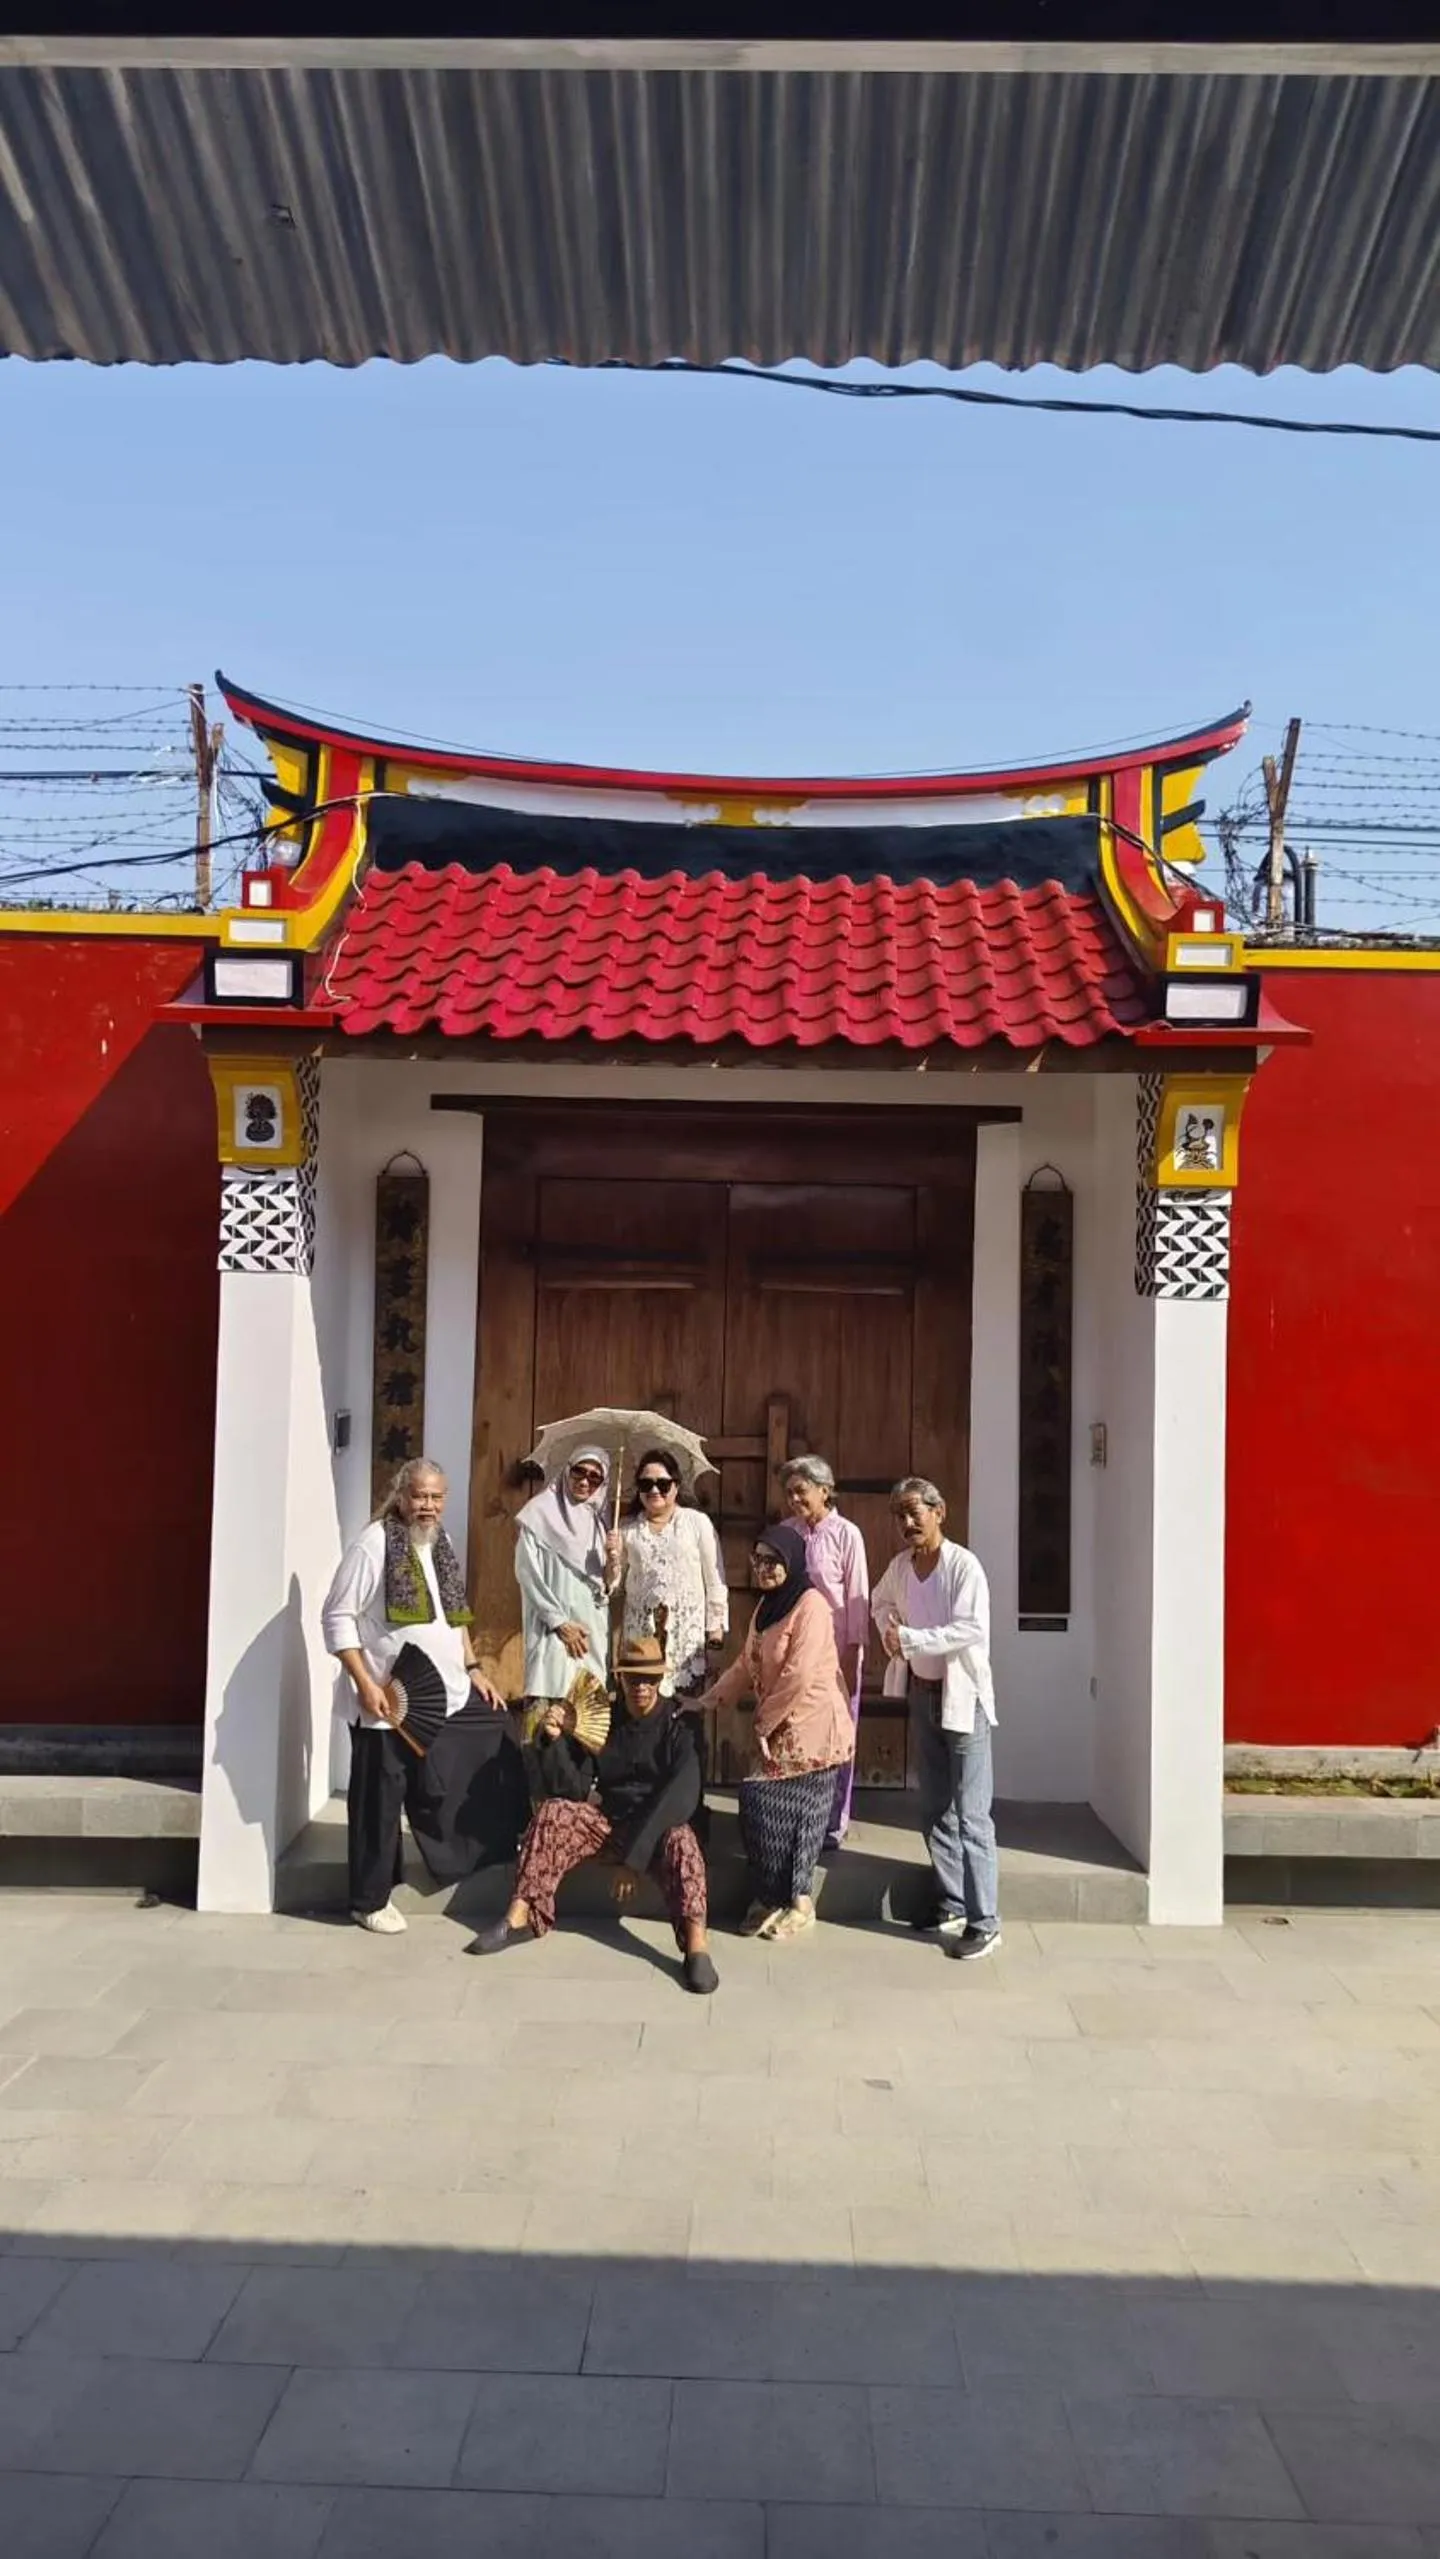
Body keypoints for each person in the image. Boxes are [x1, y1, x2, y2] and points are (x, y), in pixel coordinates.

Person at [322, 1458, 523, 1935]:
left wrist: (475, 1667)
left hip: (449, 1689)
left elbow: (455, 1615)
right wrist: (364, 1684)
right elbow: (337, 1616)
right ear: (401, 1496)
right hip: (389, 1698)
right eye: (419, 1496)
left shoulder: (442, 1544)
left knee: (498, 1732)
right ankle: (368, 1900)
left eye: (436, 1497)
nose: (428, 1506)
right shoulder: (373, 1545)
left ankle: (481, 1846)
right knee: (380, 1797)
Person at [472, 1629, 719, 1994]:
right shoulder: (605, 1719)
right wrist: (554, 1742)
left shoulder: (679, 1723)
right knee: (554, 1812)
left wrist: (633, 1861)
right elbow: (570, 1789)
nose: (641, 1687)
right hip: (611, 1823)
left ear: (660, 1679)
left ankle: (696, 1944)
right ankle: (520, 1914)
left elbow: (681, 1797)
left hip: (657, 1831)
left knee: (683, 1838)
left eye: (649, 1679)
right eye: (633, 1678)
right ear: (620, 1677)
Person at [694, 1519, 854, 1942]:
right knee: (763, 1810)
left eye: (773, 1560)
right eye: (758, 1559)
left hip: (814, 1727)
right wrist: (710, 1699)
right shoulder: (767, 1608)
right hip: (779, 1729)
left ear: (792, 1562)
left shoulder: (811, 1605)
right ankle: (770, 1896)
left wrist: (764, 1720)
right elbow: (746, 1663)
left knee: (803, 1821)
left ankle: (800, 1902)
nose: (764, 1568)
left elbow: (800, 1673)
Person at [872, 1475, 1000, 1959]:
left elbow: (969, 1629)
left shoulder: (964, 1566)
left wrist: (911, 1640)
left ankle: (986, 1920)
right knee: (933, 1809)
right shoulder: (901, 1566)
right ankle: (952, 1901)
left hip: (962, 1700)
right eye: (900, 1515)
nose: (907, 1523)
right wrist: (889, 1630)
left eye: (915, 1512)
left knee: (972, 1815)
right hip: (923, 1695)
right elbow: (881, 1602)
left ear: (939, 1511)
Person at [781, 1455, 870, 1848]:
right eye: (789, 1492)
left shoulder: (847, 1534)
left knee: (837, 1736)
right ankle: (799, 1816)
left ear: (824, 1490)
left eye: (801, 1491)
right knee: (797, 1731)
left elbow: (857, 1597)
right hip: (798, 1649)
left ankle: (834, 1822)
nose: (794, 1499)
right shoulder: (787, 1532)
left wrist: (852, 1651)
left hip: (837, 1649)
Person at [513, 1447, 622, 1708]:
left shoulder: (599, 1524)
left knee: (587, 1720)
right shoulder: (538, 1514)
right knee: (549, 1716)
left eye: (595, 1478)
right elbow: (527, 1574)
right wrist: (560, 1623)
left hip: (591, 1634)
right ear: (567, 1470)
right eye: (579, 1472)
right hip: (554, 1633)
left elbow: (607, 1587)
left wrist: (614, 1560)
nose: (585, 1481)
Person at [618, 1448, 729, 1695]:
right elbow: (613, 1587)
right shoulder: (627, 1530)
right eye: (646, 1484)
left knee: (684, 1719)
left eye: (663, 1484)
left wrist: (716, 1635)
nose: (654, 1490)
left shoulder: (696, 1522)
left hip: (686, 1640)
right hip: (641, 1641)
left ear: (676, 1486)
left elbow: (715, 1580)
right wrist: (612, 1557)